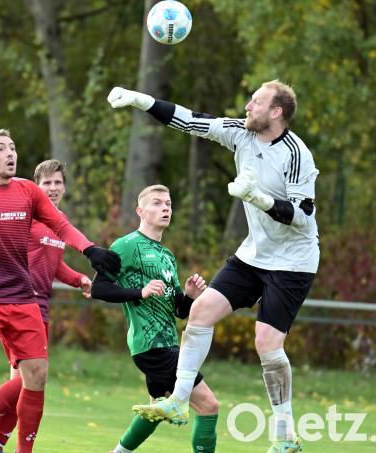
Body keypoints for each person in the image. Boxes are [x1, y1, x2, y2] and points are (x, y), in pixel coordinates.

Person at [107, 80, 319, 453]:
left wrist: (257, 197)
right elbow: (189, 121)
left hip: (293, 262)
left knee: (267, 343)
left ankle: (285, 436)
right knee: (201, 311)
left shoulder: (296, 153)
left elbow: (302, 216)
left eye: (257, 102)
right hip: (253, 254)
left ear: (277, 112)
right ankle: (177, 399)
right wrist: (140, 101)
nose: (248, 106)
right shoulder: (241, 134)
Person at [0, 129, 120, 453]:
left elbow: (60, 227)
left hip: (24, 298)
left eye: (13, 148)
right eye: (1, 148)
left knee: (36, 375)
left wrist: (89, 250)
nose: (10, 153)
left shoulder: (29, 192)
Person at [0, 159, 92, 453]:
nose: (53, 188)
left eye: (57, 183)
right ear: (36, 187)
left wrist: (79, 279)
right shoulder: (24, 215)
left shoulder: (57, 221)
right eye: (47, 183)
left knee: (28, 383)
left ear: (64, 187)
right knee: (32, 379)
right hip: (20, 304)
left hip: (42, 307)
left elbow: (54, 264)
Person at [90, 184, 218, 453]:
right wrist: (141, 291)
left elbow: (180, 311)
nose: (165, 208)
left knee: (155, 410)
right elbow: (99, 288)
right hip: (151, 346)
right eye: (158, 203)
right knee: (208, 405)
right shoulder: (126, 245)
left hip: (168, 344)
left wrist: (191, 295)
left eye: (168, 204)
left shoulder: (167, 256)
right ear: (141, 211)